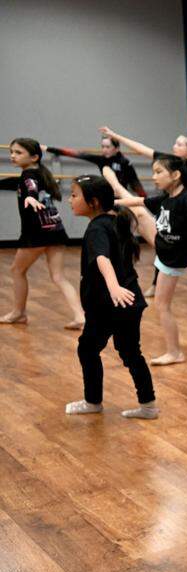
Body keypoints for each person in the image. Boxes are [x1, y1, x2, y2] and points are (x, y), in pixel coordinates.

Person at [104, 155, 187, 365]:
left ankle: (175, 352)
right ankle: (114, 187)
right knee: (138, 209)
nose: (154, 177)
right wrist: (114, 202)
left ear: (175, 175)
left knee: (162, 305)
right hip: (162, 246)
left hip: (172, 258)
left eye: (158, 172)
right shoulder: (166, 198)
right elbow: (138, 200)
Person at [99, 127, 187, 295]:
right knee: (176, 248)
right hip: (168, 209)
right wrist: (116, 136)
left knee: (171, 247)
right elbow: (141, 149)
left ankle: (159, 285)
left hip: (185, 215)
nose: (174, 146)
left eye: (179, 144)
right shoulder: (169, 162)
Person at [64, 175, 157, 418]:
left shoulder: (97, 228)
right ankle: (148, 406)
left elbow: (102, 258)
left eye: (74, 195)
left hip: (110, 304)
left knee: (88, 348)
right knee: (129, 352)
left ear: (93, 202)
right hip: (129, 300)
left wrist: (113, 287)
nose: (70, 200)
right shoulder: (115, 219)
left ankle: (93, 402)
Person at [0, 138, 85, 328]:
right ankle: (80, 316)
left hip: (37, 233)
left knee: (17, 270)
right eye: (12, 152)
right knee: (58, 276)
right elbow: (19, 183)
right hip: (55, 229)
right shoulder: (40, 173)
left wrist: (30, 198)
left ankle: (18, 313)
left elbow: (30, 187)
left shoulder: (29, 175)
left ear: (34, 157)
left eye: (18, 152)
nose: (13, 156)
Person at [48, 135, 146, 196]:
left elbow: (135, 182)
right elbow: (77, 154)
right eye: (103, 147)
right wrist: (50, 149)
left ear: (116, 149)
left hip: (122, 196)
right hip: (106, 195)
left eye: (108, 147)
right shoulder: (101, 160)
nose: (104, 150)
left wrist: (144, 199)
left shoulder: (125, 162)